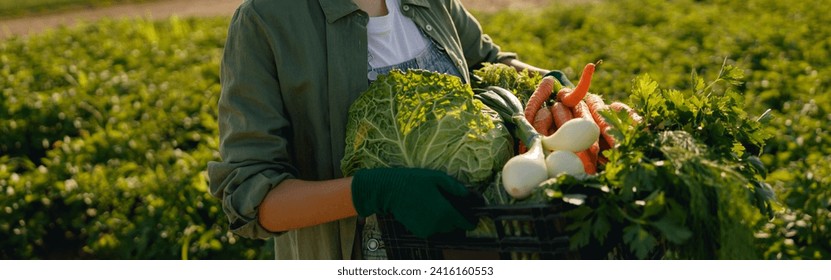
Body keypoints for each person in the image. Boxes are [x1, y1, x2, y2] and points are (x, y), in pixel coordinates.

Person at [207, 0, 572, 260]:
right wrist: (373, 190)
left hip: (473, 248)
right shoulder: (264, 20)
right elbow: (252, 196)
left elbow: (489, 62)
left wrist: (557, 89)